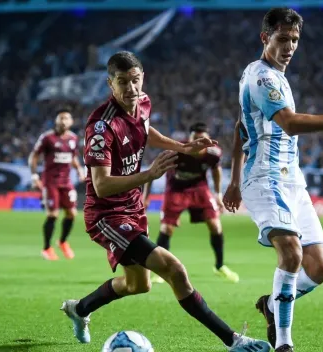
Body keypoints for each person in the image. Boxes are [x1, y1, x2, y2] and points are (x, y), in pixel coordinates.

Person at [60, 51, 272, 352]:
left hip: (132, 208)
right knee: (174, 269)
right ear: (110, 84)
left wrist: (183, 147)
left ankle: (78, 309)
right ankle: (234, 341)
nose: (131, 88)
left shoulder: (143, 103)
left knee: (138, 284)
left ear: (142, 78)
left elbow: (145, 132)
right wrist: (150, 174)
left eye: (135, 80)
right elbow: (101, 185)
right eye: (122, 82)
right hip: (106, 215)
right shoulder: (100, 127)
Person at [223, 8, 323, 352]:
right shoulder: (262, 77)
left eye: (294, 40)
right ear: (265, 38)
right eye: (282, 39)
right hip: (264, 179)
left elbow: (239, 127)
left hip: (293, 181)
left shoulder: (276, 75)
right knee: (290, 253)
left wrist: (231, 180)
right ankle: (285, 344)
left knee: (320, 268)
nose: (290, 46)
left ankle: (274, 303)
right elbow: (290, 123)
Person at [144, 122, 239, 284]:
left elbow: (216, 171)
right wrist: (145, 196)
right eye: (196, 138)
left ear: (209, 140)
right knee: (166, 228)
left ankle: (220, 266)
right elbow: (153, 170)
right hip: (175, 189)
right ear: (190, 139)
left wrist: (217, 194)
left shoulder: (213, 153)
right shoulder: (176, 152)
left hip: (199, 188)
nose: (199, 142)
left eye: (203, 139)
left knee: (216, 225)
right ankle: (161, 272)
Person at [29, 108, 85, 260]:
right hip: (50, 182)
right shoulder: (47, 138)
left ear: (71, 122)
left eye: (67, 118)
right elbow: (34, 156)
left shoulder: (73, 138)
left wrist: (79, 170)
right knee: (53, 214)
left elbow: (72, 157)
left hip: (66, 182)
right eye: (61, 118)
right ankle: (47, 248)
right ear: (56, 121)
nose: (63, 121)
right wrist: (35, 176)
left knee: (72, 214)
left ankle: (63, 241)